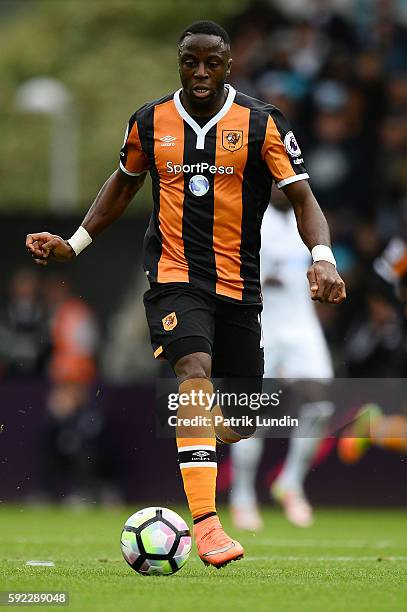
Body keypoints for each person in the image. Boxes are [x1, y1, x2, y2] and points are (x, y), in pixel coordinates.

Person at [26, 21, 346, 568]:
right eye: (190, 62)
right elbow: (123, 182)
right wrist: (74, 244)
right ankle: (207, 524)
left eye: (211, 62)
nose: (200, 73)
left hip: (240, 287)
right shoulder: (150, 121)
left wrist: (322, 259)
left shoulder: (261, 122)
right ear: (180, 63)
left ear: (228, 65)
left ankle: (203, 438)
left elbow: (301, 196)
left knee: (242, 420)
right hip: (175, 277)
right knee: (193, 372)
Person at [230, 195, 335, 530]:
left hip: (301, 326)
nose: (282, 185)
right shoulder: (249, 217)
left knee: (321, 405)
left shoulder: (307, 219)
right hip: (262, 327)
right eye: (276, 179)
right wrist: (260, 281)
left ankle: (290, 482)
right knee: (253, 413)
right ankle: (243, 497)